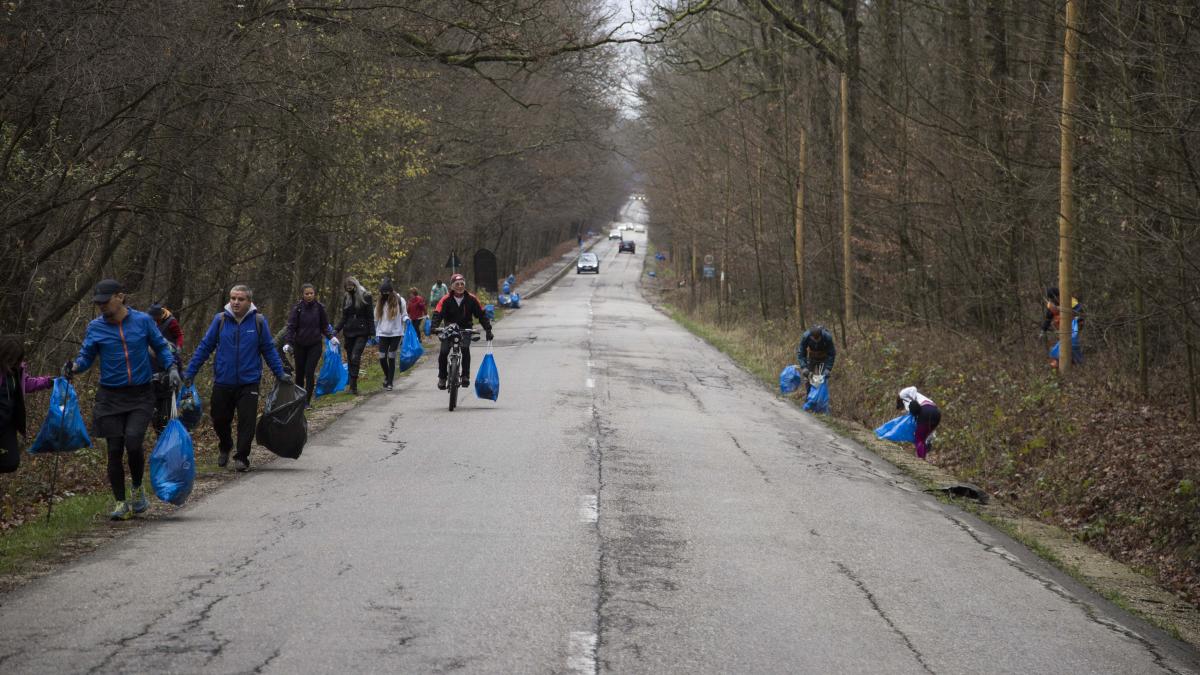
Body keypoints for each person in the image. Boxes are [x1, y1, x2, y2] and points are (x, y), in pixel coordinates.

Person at [65, 279, 178, 520]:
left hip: (140, 393)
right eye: (98, 303)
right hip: (110, 396)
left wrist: (172, 368)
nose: (102, 306)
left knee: (134, 442)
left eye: (105, 301)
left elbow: (160, 346)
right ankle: (120, 503)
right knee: (114, 449)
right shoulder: (96, 327)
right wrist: (74, 367)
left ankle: (137, 489)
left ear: (120, 297)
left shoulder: (143, 321)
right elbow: (86, 357)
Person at [184, 284, 289, 472]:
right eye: (233, 298)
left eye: (240, 299)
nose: (235, 302)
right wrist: (190, 373)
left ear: (249, 301)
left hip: (249, 382)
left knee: (246, 421)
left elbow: (268, 349)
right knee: (219, 419)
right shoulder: (220, 320)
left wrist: (279, 372)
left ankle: (242, 457)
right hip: (223, 381)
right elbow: (205, 347)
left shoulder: (258, 321)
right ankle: (225, 445)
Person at [0, 335, 55, 474]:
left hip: (7, 423)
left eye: (15, 359)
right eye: (9, 358)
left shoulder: (16, 371)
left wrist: (49, 382)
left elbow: (26, 384)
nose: (11, 362)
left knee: (11, 462)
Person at [430, 273, 493, 390]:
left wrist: (488, 330)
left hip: (465, 329)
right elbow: (437, 314)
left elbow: (481, 315)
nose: (460, 286)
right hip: (449, 329)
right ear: (452, 286)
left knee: (465, 349)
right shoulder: (446, 299)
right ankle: (442, 377)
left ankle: (465, 376)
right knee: (443, 352)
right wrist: (434, 327)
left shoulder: (471, 299)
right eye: (457, 284)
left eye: (462, 284)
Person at [282, 283, 336, 408]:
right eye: (307, 293)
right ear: (302, 294)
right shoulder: (297, 309)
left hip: (315, 345)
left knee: (309, 372)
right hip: (300, 345)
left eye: (311, 293)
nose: (309, 295)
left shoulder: (319, 308)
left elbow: (324, 325)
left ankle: (307, 401)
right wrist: (288, 342)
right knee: (300, 373)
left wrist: (331, 336)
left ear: (314, 294)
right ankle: (299, 400)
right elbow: (291, 327)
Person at [333, 276, 374, 395]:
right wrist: (335, 330)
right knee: (350, 358)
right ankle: (352, 385)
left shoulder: (366, 296)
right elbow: (344, 317)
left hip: (362, 331)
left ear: (356, 286)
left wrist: (372, 333)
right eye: (347, 288)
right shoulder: (346, 297)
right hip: (349, 331)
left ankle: (353, 386)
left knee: (355, 356)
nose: (349, 290)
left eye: (351, 287)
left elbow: (370, 316)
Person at [148, 303, 184, 433]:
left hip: (170, 357)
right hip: (153, 362)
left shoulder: (171, 322)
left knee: (167, 398)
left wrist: (178, 347)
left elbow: (179, 335)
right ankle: (159, 424)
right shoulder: (149, 322)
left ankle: (167, 427)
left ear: (160, 314)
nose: (154, 320)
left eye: (155, 317)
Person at [374, 281, 408, 391]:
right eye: (383, 293)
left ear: (391, 292)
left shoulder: (399, 300)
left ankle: (390, 382)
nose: (385, 295)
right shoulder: (380, 301)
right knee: (382, 357)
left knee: (392, 356)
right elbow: (376, 318)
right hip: (382, 333)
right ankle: (388, 376)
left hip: (396, 333)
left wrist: (407, 320)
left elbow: (404, 314)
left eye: (387, 293)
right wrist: (373, 332)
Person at [1040, 286, 1083, 368]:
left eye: (1056, 297)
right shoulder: (1052, 306)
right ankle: (1061, 364)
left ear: (1059, 295)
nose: (1054, 300)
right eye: (1052, 299)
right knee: (1062, 348)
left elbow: (1079, 311)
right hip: (1063, 330)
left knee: (1072, 344)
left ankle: (1076, 363)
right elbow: (1048, 319)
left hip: (1074, 327)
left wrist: (1076, 318)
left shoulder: (1069, 300)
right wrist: (1043, 330)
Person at [897, 386, 941, 460]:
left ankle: (921, 460)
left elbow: (913, 388)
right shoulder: (917, 400)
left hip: (926, 410)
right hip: (936, 413)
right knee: (924, 437)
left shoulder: (902, 394)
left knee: (919, 438)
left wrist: (914, 400)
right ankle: (925, 450)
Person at [796, 324, 837, 395]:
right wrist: (804, 367)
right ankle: (809, 397)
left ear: (821, 336)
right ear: (811, 337)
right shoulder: (806, 337)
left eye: (818, 339)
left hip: (823, 359)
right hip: (811, 358)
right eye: (814, 339)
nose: (816, 341)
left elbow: (831, 354)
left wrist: (828, 368)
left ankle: (821, 399)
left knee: (823, 379)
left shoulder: (827, 337)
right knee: (807, 377)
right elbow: (801, 352)